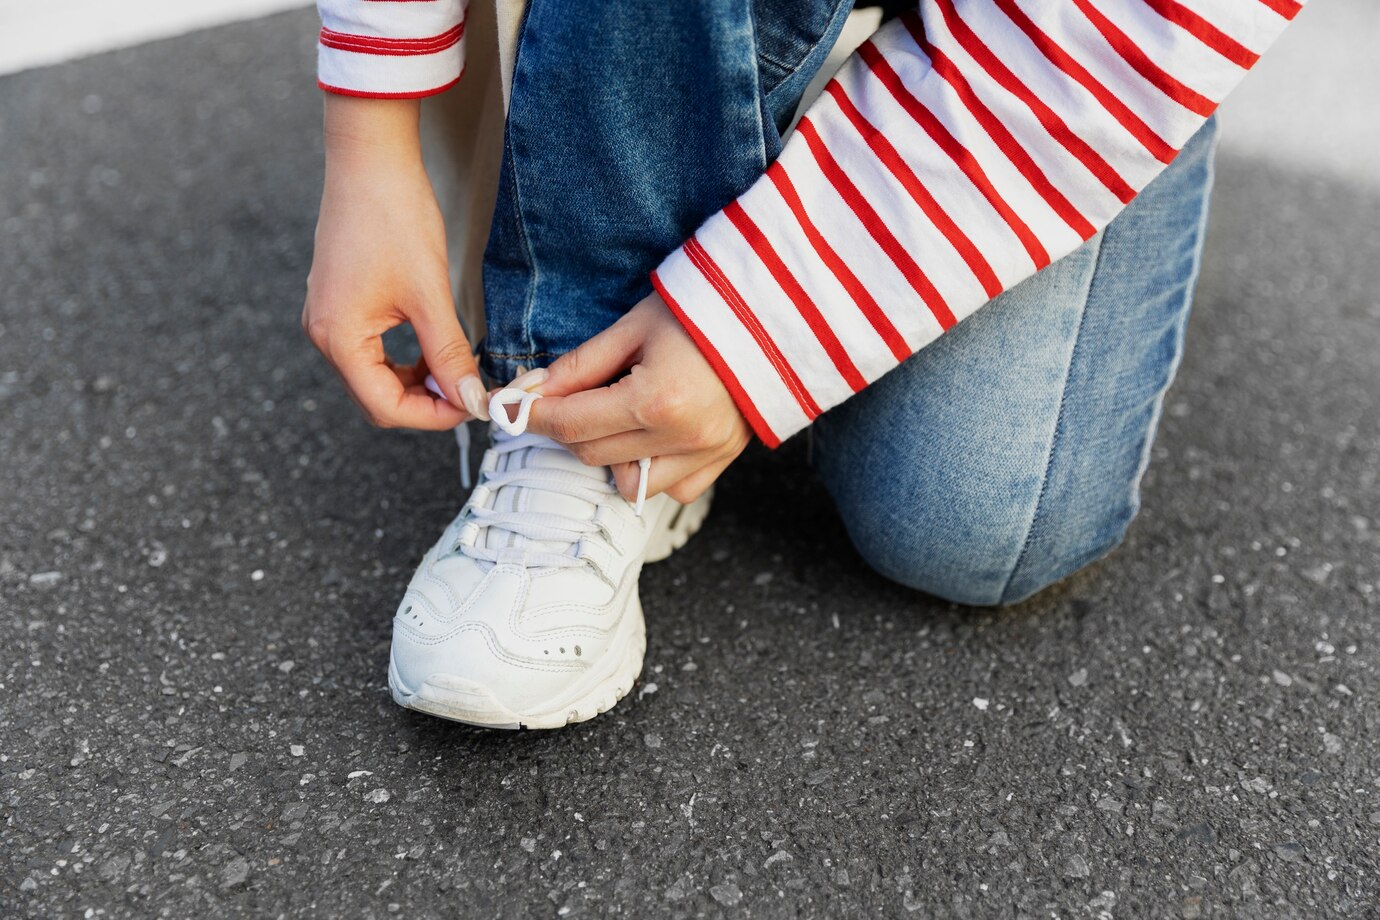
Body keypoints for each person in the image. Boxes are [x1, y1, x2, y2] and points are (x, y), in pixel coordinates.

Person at [303, 0, 1302, 728]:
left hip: (1077, 36)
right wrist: (368, 136)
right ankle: (585, 366)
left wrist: (755, 326)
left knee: (973, 524)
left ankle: (775, 117)